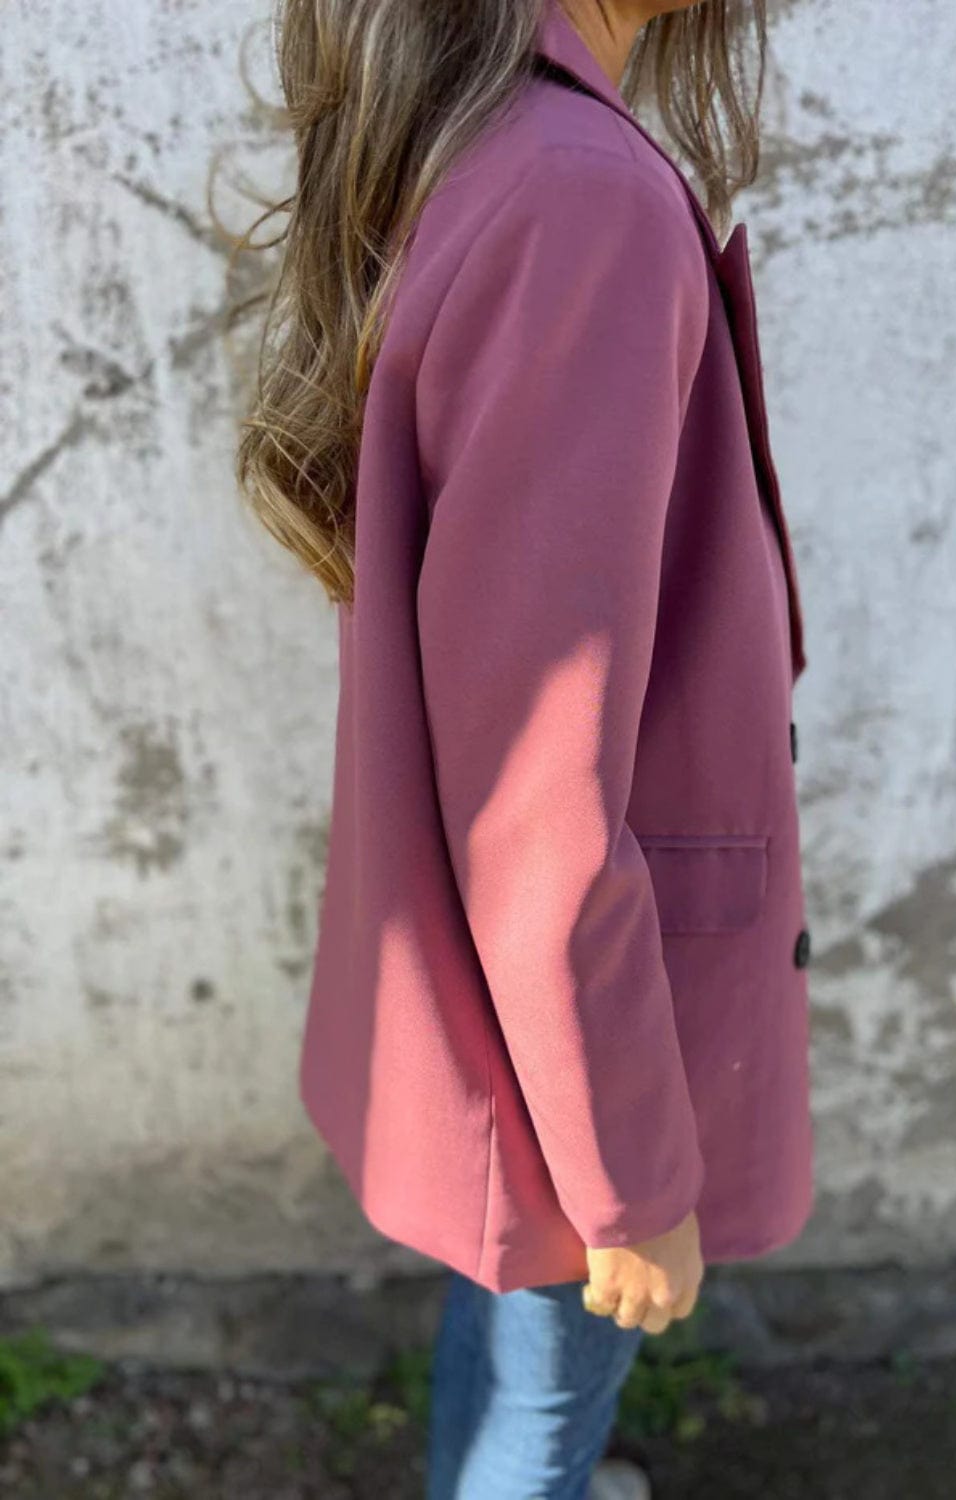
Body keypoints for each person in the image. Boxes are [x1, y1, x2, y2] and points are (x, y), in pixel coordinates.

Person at [236, 1, 813, 1495]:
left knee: (515, 1342)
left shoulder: (501, 141)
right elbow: (538, 794)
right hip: (588, 1019)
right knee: (546, 1406)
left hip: (536, 1003)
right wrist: (631, 1181)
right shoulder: (582, 201)